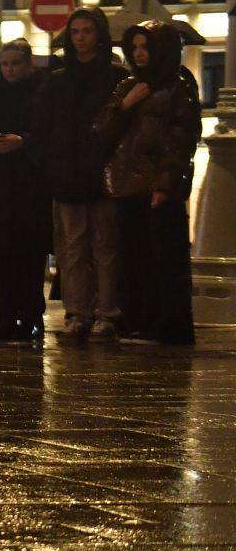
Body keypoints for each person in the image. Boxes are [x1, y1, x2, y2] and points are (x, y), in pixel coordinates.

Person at [95, 20, 201, 345]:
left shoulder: (178, 85)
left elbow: (180, 138)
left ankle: (168, 325)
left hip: (157, 187)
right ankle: (138, 320)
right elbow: (102, 131)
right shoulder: (129, 85)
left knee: (163, 258)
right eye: (135, 48)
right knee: (134, 255)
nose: (140, 55)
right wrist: (125, 106)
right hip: (127, 185)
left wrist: (166, 183)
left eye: (147, 48)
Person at [30, 6, 131, 342]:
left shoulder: (116, 77)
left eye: (87, 31)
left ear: (99, 35)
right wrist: (49, 166)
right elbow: (42, 127)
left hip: (103, 176)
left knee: (106, 246)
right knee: (72, 248)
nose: (81, 38)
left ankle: (107, 313)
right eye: (75, 32)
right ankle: (77, 313)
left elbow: (122, 127)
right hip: (66, 176)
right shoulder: (57, 81)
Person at [0, 40, 52, 341]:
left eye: (15, 63)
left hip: (29, 189)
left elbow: (46, 135)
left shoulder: (41, 94)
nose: (10, 70)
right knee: (0, 255)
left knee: (29, 256)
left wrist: (23, 141)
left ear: (28, 64)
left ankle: (30, 316)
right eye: (5, 64)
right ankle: (3, 313)